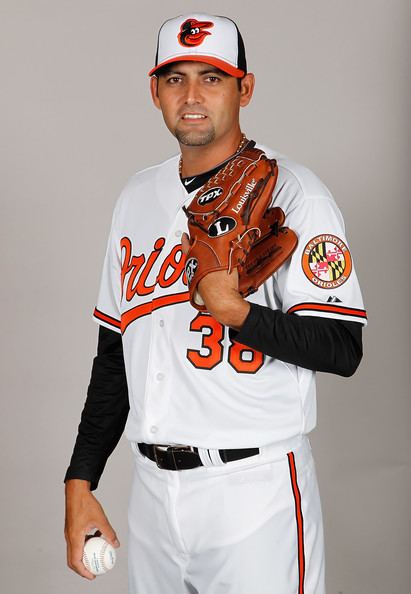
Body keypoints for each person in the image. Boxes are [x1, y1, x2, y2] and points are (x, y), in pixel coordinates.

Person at [64, 13, 367, 594]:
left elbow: (343, 349)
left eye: (212, 77)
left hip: (255, 492)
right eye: (176, 79)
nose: (193, 95)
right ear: (155, 91)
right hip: (152, 494)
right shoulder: (135, 197)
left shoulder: (297, 195)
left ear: (243, 89)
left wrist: (240, 314)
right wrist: (81, 483)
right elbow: (113, 356)